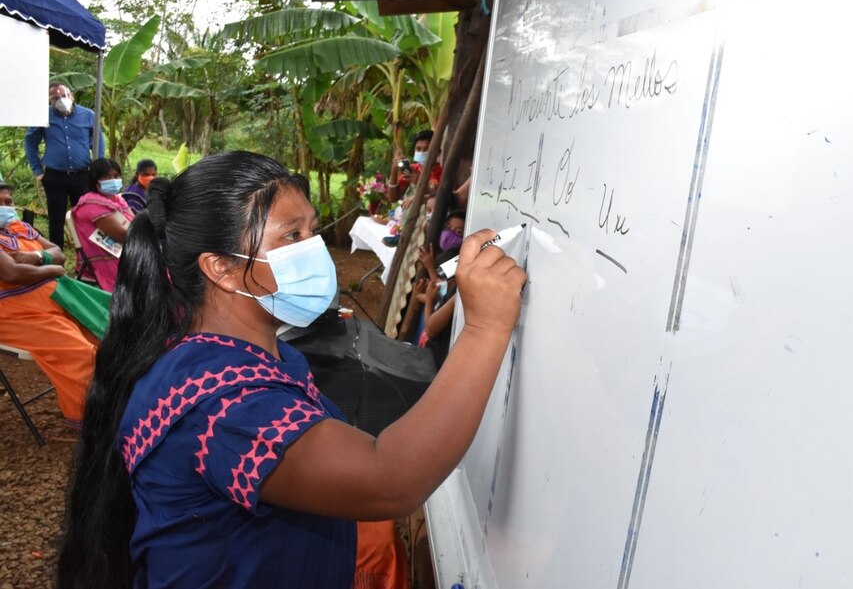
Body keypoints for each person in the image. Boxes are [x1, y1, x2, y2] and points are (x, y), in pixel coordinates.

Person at [58, 151, 525, 588]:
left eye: (313, 231)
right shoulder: (220, 405)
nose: (314, 249)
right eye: (292, 236)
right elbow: (389, 481)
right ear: (220, 267)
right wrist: (484, 327)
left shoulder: (245, 355)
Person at [0, 181, 97, 427]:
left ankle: (110, 402)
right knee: (80, 353)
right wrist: (51, 269)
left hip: (55, 298)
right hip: (15, 312)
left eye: (8, 202)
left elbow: (57, 251)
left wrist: (35, 257)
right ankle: (88, 419)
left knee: (103, 332)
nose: (6, 207)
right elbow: (12, 274)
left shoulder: (17, 226)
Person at [24, 82, 106, 249]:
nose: (61, 99)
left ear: (72, 95)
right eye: (55, 98)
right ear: (50, 101)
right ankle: (57, 261)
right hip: (54, 177)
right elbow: (30, 142)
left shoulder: (88, 115)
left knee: (84, 217)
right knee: (56, 219)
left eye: (64, 95)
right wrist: (38, 171)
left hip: (82, 176)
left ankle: (84, 259)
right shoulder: (43, 116)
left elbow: (98, 142)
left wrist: (97, 170)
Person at [72, 158, 135, 292]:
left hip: (125, 250)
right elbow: (124, 234)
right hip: (106, 257)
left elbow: (133, 224)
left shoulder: (117, 199)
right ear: (96, 181)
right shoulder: (91, 205)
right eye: (106, 177)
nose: (112, 180)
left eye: (116, 176)